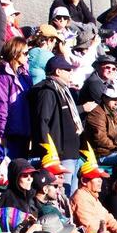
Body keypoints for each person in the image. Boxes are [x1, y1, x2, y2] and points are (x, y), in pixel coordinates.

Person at [29, 57, 84, 189]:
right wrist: (49, 151)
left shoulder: (64, 90)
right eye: (68, 70)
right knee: (63, 189)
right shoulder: (47, 91)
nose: (71, 72)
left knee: (72, 190)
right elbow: (42, 121)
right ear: (58, 71)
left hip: (73, 151)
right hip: (60, 153)